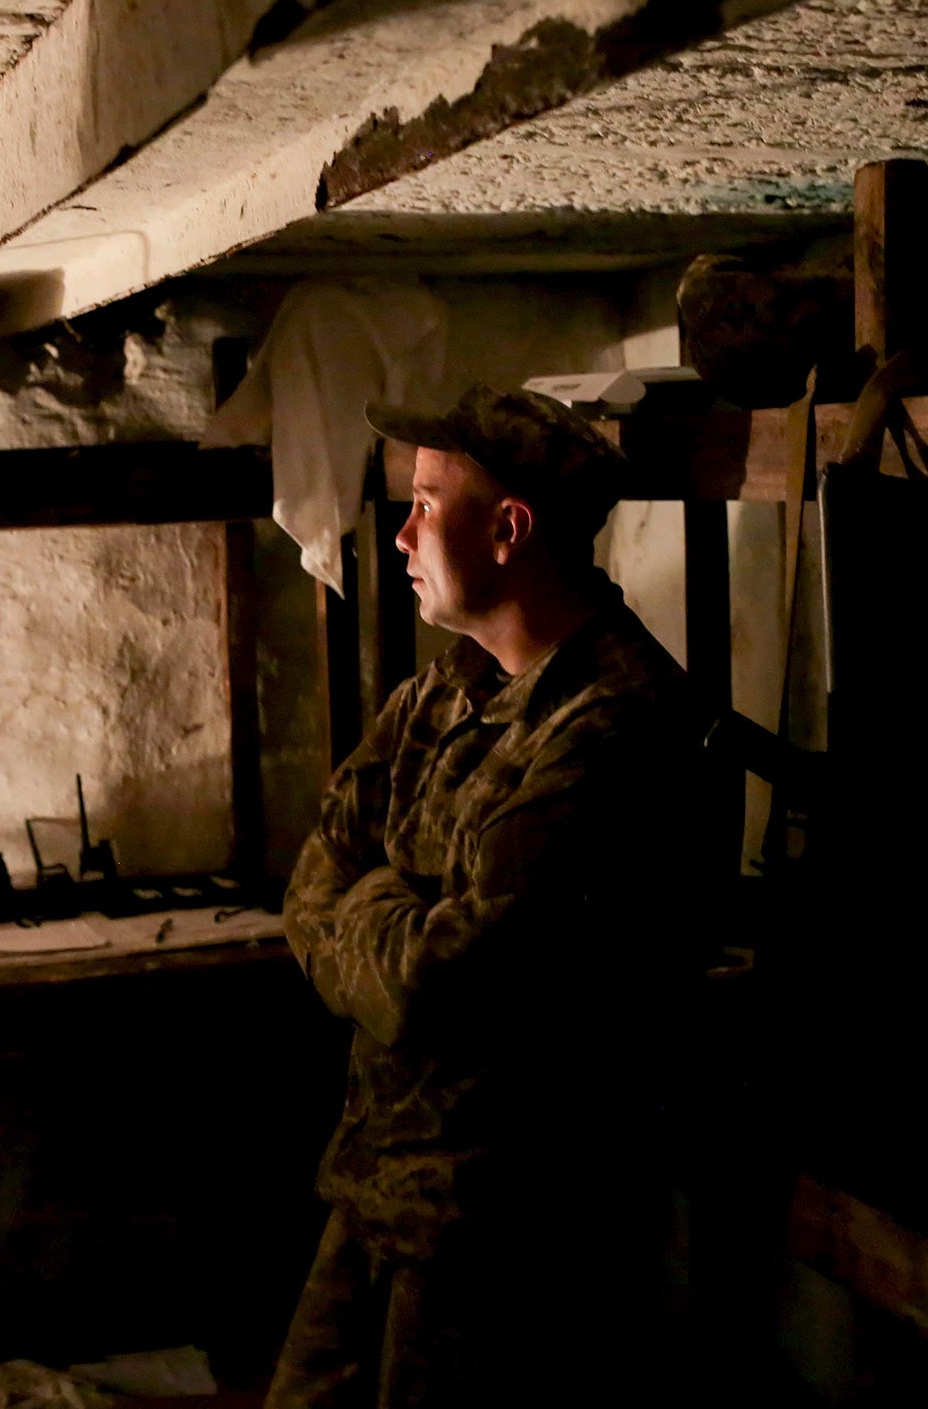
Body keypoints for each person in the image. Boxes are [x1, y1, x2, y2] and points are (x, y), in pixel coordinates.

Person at [268, 386, 706, 1409]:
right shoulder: (445, 689)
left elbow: (437, 981)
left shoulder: (617, 726)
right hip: (378, 1188)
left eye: (424, 502)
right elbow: (309, 884)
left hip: (509, 1232)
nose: (402, 535)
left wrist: (375, 915)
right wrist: (396, 913)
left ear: (508, 530)